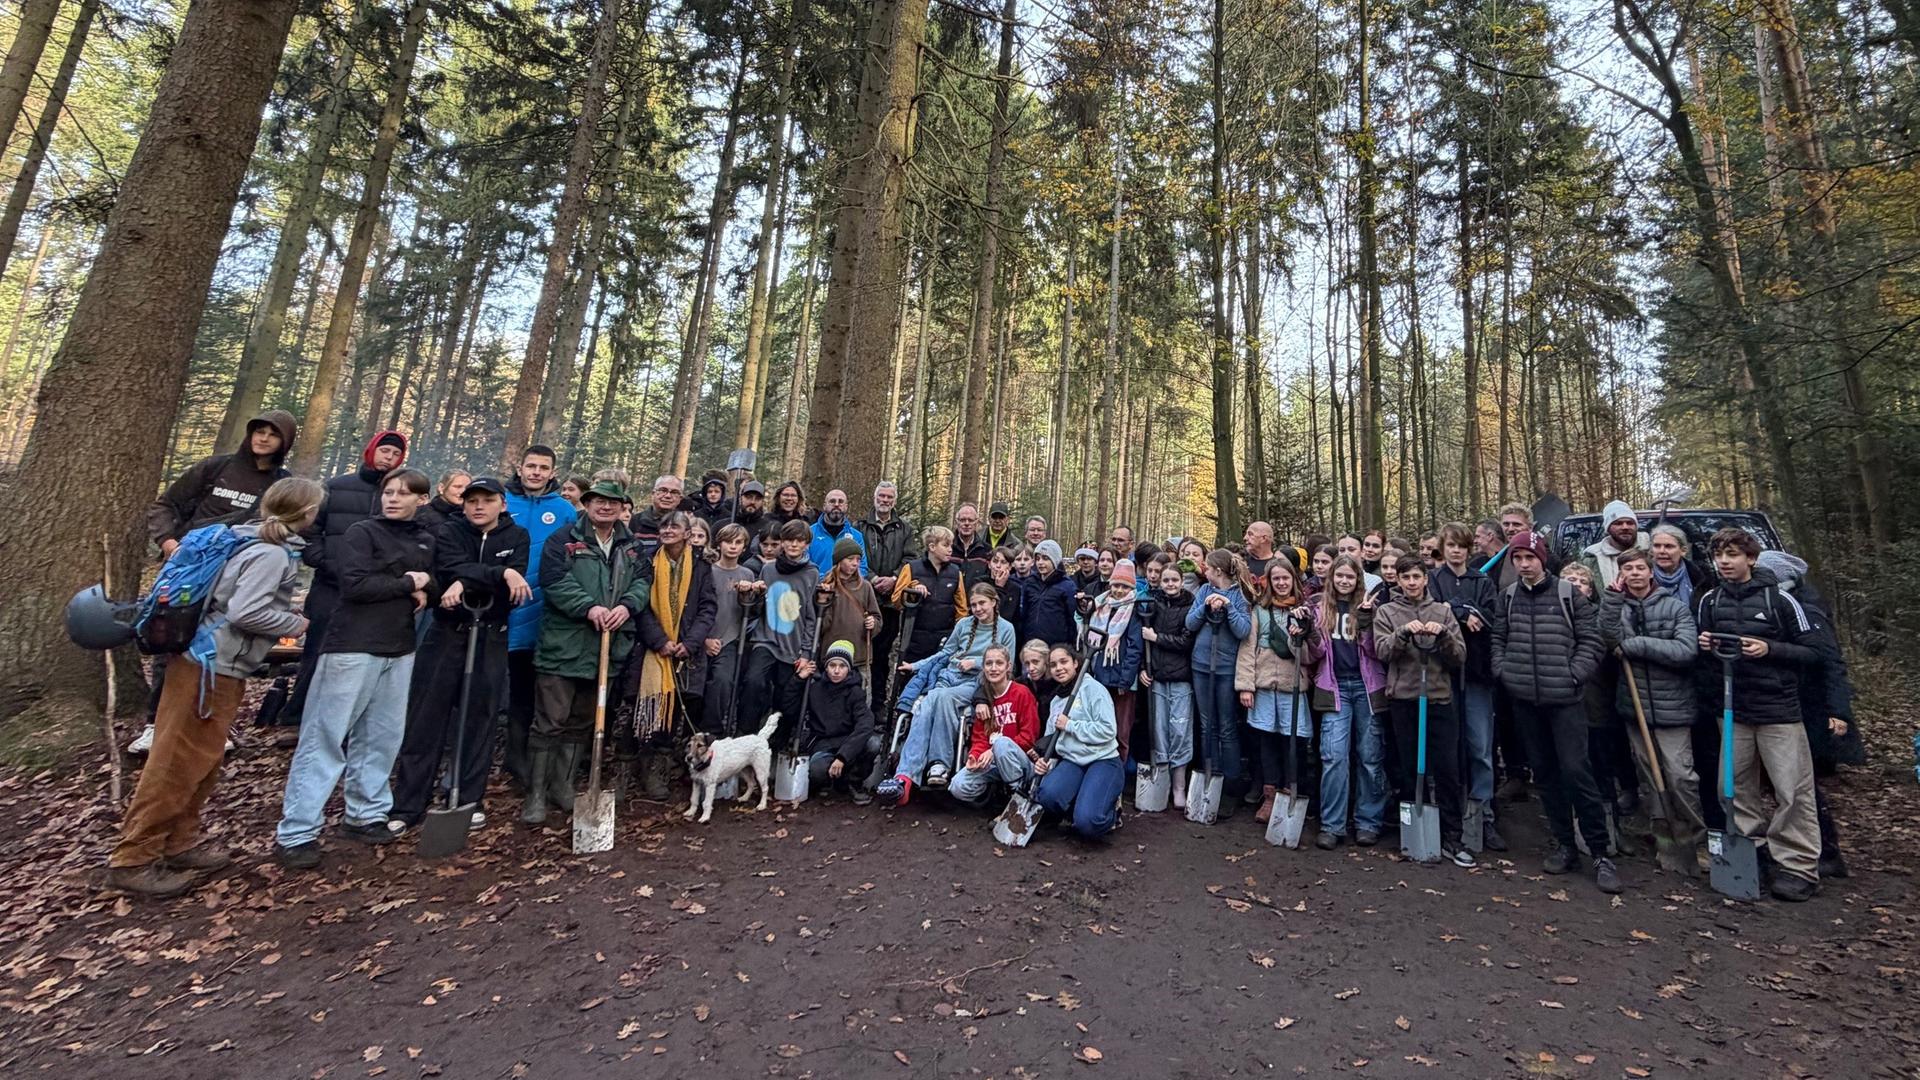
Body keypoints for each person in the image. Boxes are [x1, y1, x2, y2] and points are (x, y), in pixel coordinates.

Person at [109, 477, 321, 897]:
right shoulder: (270, 554)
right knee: (177, 760)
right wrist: (297, 624)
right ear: (305, 513)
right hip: (210, 667)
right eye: (316, 508)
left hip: (212, 664)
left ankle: (179, 842)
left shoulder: (247, 540)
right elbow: (247, 611)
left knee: (201, 759)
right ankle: (134, 858)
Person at [274, 468, 439, 869]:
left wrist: (423, 587)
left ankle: (365, 812)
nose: (393, 498)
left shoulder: (424, 538)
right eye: (388, 492)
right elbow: (356, 585)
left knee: (381, 736)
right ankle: (297, 829)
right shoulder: (361, 533)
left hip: (399, 647)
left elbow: (432, 586)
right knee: (325, 736)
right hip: (351, 646)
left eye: (403, 493)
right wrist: (408, 583)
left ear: (421, 499)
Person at [130, 408, 299, 754]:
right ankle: (154, 723)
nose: (263, 438)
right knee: (171, 642)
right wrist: (169, 544)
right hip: (190, 569)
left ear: (285, 442)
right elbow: (165, 505)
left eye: (273, 433)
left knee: (219, 647)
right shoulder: (216, 469)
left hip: (237, 574)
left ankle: (208, 722)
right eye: (258, 430)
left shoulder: (282, 483)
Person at [387, 476, 531, 835]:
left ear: (502, 503)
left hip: (491, 634)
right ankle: (408, 803)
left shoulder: (517, 537)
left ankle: (469, 798)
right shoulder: (450, 532)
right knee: (426, 718)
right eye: (471, 501)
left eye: (486, 500)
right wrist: (500, 572)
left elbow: (510, 587)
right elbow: (448, 568)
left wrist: (478, 578)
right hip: (447, 634)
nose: (478, 507)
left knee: (480, 718)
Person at [1692, 530, 1822, 901]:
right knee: (1732, 788)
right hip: (1732, 710)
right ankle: (1752, 852)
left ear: (1751, 559)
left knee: (1791, 790)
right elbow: (1704, 659)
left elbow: (1813, 653)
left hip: (1778, 710)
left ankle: (1798, 864)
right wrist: (1705, 646)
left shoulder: (1780, 599)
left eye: (1732, 554)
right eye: (1719, 555)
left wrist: (1769, 649)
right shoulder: (1709, 601)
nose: (1724, 562)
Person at [1492, 531, 1620, 892]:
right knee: (1545, 774)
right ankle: (1564, 844)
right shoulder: (1509, 598)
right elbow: (1498, 639)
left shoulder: (1568, 596)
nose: (1523, 564)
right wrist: (1505, 672)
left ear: (1542, 559)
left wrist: (1573, 675)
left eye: (1529, 558)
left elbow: (1592, 641)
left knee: (1577, 772)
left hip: (1565, 700)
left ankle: (1599, 851)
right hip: (1526, 701)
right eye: (1517, 559)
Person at [521, 480, 653, 826]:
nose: (605, 508)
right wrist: (588, 607)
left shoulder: (632, 546)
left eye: (612, 502)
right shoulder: (563, 540)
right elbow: (553, 581)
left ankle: (563, 786)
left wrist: (627, 606)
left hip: (607, 648)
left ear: (622, 507)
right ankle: (535, 793)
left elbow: (643, 582)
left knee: (583, 720)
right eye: (598, 501)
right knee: (550, 719)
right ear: (588, 502)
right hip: (564, 644)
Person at [277, 429, 408, 737]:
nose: (388, 458)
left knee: (358, 657)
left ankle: (346, 723)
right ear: (371, 450)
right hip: (329, 586)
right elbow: (309, 535)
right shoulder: (337, 487)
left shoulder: (397, 495)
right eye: (384, 451)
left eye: (394, 454)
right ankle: (298, 720)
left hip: (372, 594)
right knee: (318, 651)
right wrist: (328, 563)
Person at [1597, 547, 1706, 872]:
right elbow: (1608, 637)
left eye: (1639, 568)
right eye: (1627, 569)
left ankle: (1696, 838)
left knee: (1680, 774)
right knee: (1649, 774)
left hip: (1672, 706)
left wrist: (1637, 646)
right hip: (1636, 706)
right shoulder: (1618, 606)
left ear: (1650, 571)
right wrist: (1613, 601)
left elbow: (1686, 650)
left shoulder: (1674, 607)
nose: (1634, 574)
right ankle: (1665, 837)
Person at [1755, 550, 1860, 880]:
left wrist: (1838, 711)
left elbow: (1831, 664)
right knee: (1786, 784)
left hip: (1811, 711)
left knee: (1802, 785)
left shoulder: (1806, 610)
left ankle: (1827, 851)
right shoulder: (1779, 605)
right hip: (1787, 705)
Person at [1373, 554, 1472, 867]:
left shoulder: (1442, 611)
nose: (1412, 583)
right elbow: (1382, 651)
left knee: (1446, 770)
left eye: (1417, 577)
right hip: (1403, 699)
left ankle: (1452, 836)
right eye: (1406, 578)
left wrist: (1442, 636)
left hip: (1438, 698)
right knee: (1407, 769)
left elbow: (1459, 656)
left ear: (1425, 579)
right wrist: (1403, 633)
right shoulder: (1387, 612)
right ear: (1399, 581)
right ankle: (1412, 831)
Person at [879, 583, 1016, 803]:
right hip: (950, 675)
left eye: (982, 603)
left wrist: (976, 662)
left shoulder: (1005, 629)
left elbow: (1007, 664)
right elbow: (946, 653)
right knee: (924, 705)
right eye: (973, 605)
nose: (978, 608)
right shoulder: (963, 625)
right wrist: (915, 666)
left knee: (939, 697)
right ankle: (904, 776)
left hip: (977, 682)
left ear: (993, 602)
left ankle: (939, 763)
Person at [621, 510, 714, 799]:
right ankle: (625, 770)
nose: (668, 530)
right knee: (639, 710)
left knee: (671, 714)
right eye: (665, 526)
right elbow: (640, 605)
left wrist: (690, 642)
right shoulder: (648, 562)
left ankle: (656, 772)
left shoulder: (701, 566)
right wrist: (660, 640)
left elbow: (707, 608)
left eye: (675, 526)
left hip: (685, 653)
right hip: (650, 651)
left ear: (688, 533)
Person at [1429, 522, 1504, 851]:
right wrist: (1458, 611)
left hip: (1475, 673)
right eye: (1450, 546)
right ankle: (1449, 815)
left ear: (1469, 549)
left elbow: (1490, 618)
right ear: (1443, 549)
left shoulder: (1482, 580)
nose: (1456, 551)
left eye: (1461, 546)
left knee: (1480, 749)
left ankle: (1483, 815)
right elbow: (1434, 611)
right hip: (1442, 674)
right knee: (1446, 749)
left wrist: (1461, 611)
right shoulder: (1434, 580)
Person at [503, 445, 576, 786]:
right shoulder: (501, 500)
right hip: (500, 611)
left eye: (543, 467)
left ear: (552, 471)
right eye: (530, 465)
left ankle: (528, 766)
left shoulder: (563, 510)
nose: (535, 472)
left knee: (533, 695)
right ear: (520, 468)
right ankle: (503, 758)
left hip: (546, 615)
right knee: (498, 693)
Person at [1304, 555, 1388, 848]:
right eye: (1339, 576)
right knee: (1334, 756)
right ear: (1331, 578)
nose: (1343, 581)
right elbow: (1313, 655)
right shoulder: (1318, 608)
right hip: (1334, 688)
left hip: (1367, 688)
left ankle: (1368, 821)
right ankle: (1332, 824)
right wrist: (1308, 634)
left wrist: (1366, 624)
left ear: (1358, 581)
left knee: (1369, 756)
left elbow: (1379, 652)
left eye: (1349, 577)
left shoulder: (1371, 609)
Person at [1237, 560, 1314, 824]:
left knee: (1293, 742)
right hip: (1264, 683)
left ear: (1294, 579)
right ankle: (1269, 795)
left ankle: (1290, 791)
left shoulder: (1304, 611)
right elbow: (1248, 649)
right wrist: (1246, 685)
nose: (1281, 583)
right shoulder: (1259, 611)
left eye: (1286, 578)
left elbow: (1309, 655)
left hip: (1294, 686)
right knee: (1267, 741)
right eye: (1276, 579)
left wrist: (1298, 636)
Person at [739, 519, 822, 750]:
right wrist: (754, 593)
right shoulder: (768, 569)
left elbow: (811, 616)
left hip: (794, 647)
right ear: (782, 543)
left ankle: (778, 743)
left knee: (787, 697)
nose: (794, 545)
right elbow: (756, 608)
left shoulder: (812, 574)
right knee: (754, 682)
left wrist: (806, 652)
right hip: (766, 639)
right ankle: (746, 735)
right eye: (789, 540)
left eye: (799, 541)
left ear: (806, 544)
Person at [1031, 646, 1125, 840]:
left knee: (1088, 824)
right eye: (1053, 665)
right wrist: (1045, 761)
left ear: (1075, 663)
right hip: (1073, 761)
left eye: (1064, 662)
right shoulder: (1057, 701)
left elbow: (1108, 731)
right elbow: (1052, 742)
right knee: (1047, 796)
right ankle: (1080, 805)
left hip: (1103, 760)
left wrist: (1072, 725)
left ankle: (1111, 813)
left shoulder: (1093, 689)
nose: (1059, 668)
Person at [1186, 549, 1254, 814]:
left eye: (1208, 568)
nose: (1204, 571)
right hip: (1201, 665)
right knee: (1206, 724)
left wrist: (1226, 608)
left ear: (1219, 571)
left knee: (1226, 725)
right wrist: (1205, 607)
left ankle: (1231, 786)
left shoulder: (1239, 595)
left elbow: (1243, 630)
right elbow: (1190, 623)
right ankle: (1208, 774)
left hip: (1226, 668)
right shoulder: (1203, 592)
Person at [949, 645, 1042, 806]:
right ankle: (994, 794)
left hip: (1020, 761)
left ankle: (1017, 796)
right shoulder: (983, 701)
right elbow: (980, 738)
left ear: (1008, 666)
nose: (993, 668)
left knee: (1001, 743)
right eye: (988, 663)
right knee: (957, 786)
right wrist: (974, 756)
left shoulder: (1021, 693)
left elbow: (1029, 737)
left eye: (999, 663)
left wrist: (993, 751)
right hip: (993, 764)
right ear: (983, 668)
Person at [1141, 563, 1195, 806]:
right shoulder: (1152, 603)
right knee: (1159, 729)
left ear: (1182, 581)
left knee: (1180, 730)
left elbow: (1186, 641)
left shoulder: (1190, 605)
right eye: (1166, 580)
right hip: (1157, 677)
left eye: (1175, 580)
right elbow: (1142, 641)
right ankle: (1161, 781)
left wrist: (1157, 637)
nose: (1170, 584)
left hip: (1181, 677)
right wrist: (1143, 667)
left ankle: (1179, 786)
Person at [800, 640, 876, 804]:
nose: (836, 671)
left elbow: (866, 724)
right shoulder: (814, 689)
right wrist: (798, 679)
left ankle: (854, 782)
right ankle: (830, 783)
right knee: (816, 771)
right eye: (832, 665)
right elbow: (790, 708)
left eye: (841, 666)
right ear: (826, 667)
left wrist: (843, 756)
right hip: (823, 744)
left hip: (848, 742)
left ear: (848, 669)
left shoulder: (856, 692)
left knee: (873, 744)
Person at [1085, 559, 1145, 763]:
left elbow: (1135, 647)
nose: (1119, 590)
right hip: (1100, 675)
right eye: (1116, 585)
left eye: (1124, 586)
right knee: (1100, 726)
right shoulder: (1101, 606)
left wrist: (1125, 681)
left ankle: (1118, 774)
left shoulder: (1134, 610)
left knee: (1121, 731)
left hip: (1122, 681)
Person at [702, 523, 756, 735]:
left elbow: (751, 611)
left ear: (744, 547)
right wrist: (705, 638)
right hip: (705, 636)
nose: (732, 547)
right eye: (728, 542)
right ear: (719, 544)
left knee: (723, 682)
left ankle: (712, 731)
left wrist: (749, 595)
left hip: (732, 639)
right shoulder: (708, 571)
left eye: (738, 542)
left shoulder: (748, 574)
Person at [892, 525, 967, 668]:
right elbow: (896, 601)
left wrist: (958, 637)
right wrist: (913, 590)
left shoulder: (955, 572)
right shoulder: (911, 568)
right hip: (914, 640)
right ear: (932, 547)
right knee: (908, 681)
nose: (950, 549)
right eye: (945, 545)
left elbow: (962, 610)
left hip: (944, 640)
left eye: (951, 545)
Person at [819, 535, 882, 685]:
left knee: (860, 696)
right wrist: (823, 601)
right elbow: (820, 624)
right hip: (832, 656)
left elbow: (877, 617)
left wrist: (873, 623)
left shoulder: (865, 587)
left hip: (859, 655)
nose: (855, 563)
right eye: (850, 559)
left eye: (858, 560)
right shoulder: (826, 586)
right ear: (839, 560)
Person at [1025, 540, 1081, 648]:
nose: (1040, 562)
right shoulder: (1030, 583)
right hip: (1032, 644)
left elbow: (1072, 619)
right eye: (1037, 559)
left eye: (1045, 558)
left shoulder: (1067, 586)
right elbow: (1024, 613)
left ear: (1055, 560)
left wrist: (1070, 645)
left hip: (1057, 646)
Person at [1579, 501, 1646, 590]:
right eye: (1618, 523)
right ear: (1608, 528)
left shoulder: (1652, 551)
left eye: (1630, 523)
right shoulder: (1592, 560)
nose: (1625, 527)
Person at [807, 488, 867, 574]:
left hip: (847, 586)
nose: (836, 504)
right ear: (824, 506)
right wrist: (826, 580)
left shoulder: (856, 536)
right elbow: (805, 566)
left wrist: (843, 580)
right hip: (817, 586)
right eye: (832, 501)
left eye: (841, 501)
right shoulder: (810, 533)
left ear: (846, 507)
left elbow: (862, 568)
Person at [1648, 524, 1706, 608]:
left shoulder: (1700, 578)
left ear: (1683, 551)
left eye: (1669, 546)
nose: (1662, 551)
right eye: (1657, 546)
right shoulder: (1642, 576)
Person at [630, 474, 685, 557]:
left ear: (680, 499)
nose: (667, 496)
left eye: (674, 492)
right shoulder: (634, 522)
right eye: (663, 490)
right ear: (653, 494)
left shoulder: (686, 525)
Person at [986, 546, 1025, 641]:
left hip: (1006, 636)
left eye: (1003, 562)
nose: (998, 566)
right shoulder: (980, 583)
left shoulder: (1015, 588)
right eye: (995, 561)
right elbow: (989, 613)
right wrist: (999, 587)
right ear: (989, 564)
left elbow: (1012, 617)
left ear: (1010, 566)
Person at [952, 503, 992, 585]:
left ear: (976, 522)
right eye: (963, 520)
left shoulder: (987, 550)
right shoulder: (947, 548)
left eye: (970, 520)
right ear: (957, 522)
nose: (967, 523)